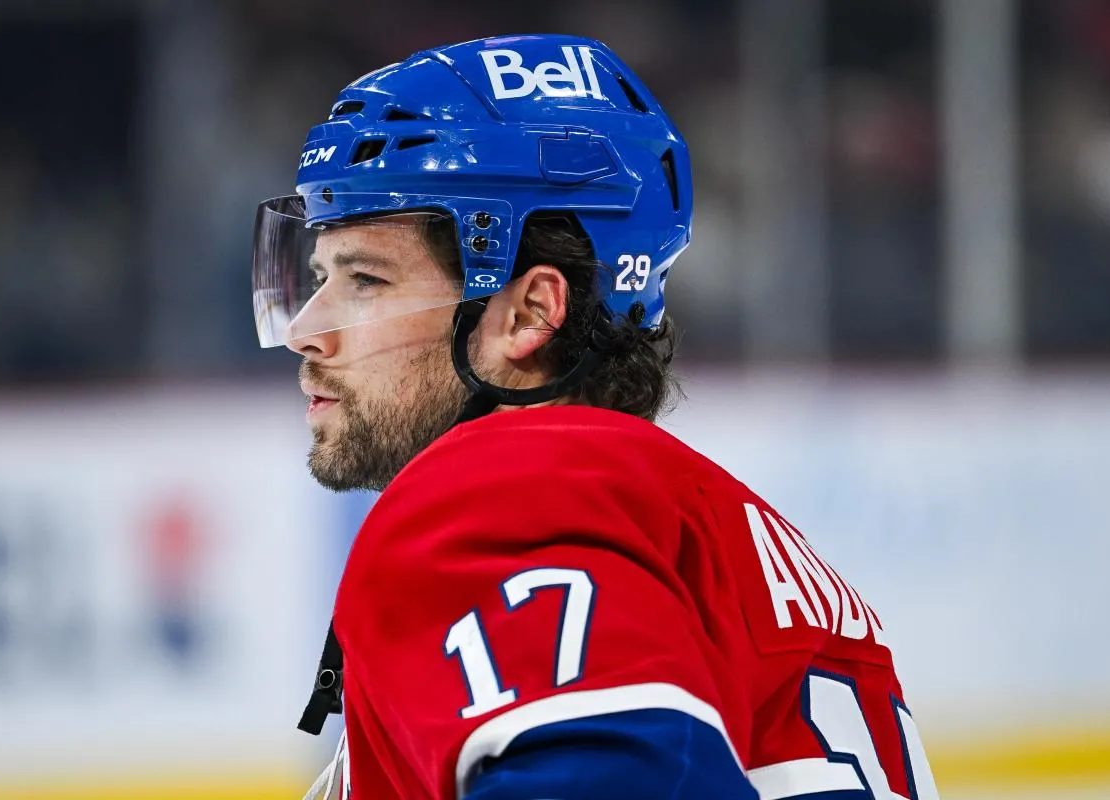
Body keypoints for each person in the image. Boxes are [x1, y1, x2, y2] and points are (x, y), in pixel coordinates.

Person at [250, 34, 939, 800]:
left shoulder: (497, 494)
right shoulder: (743, 544)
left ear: (530, 312)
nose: (306, 329)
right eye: (319, 277)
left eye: (366, 280)